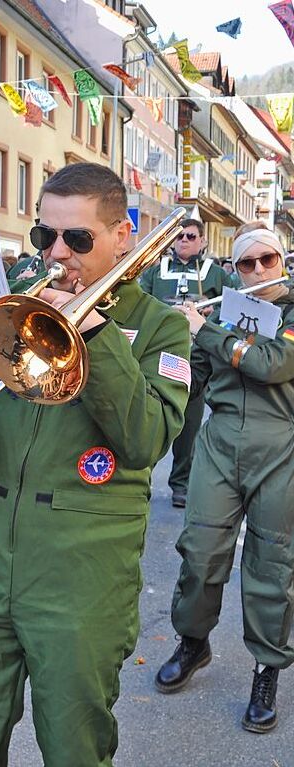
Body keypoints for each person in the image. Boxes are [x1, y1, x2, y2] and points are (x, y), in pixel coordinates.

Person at [0, 162, 190, 764]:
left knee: (74, 742)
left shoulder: (160, 328)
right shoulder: (16, 303)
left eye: (78, 238)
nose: (57, 253)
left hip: (81, 567)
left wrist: (95, 334)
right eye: (47, 236)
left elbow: (148, 439)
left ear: (123, 235)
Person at [155, 228, 294, 734]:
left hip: (280, 448)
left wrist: (207, 331)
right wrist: (168, 341)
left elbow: (273, 364)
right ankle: (194, 641)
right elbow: (187, 378)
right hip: (219, 446)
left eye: (268, 259)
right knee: (200, 550)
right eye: (247, 264)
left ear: (280, 260)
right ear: (234, 270)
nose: (258, 271)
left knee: (272, 561)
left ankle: (267, 668)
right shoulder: (220, 314)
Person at [139, 217, 227, 508]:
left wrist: (213, 315)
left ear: (202, 241)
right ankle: (141, 480)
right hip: (158, 356)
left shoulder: (215, 273)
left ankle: (180, 483)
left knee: (188, 428)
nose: (184, 241)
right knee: (148, 419)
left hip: (196, 359)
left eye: (191, 236)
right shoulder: (154, 271)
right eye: (179, 237)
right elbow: (140, 304)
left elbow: (235, 306)